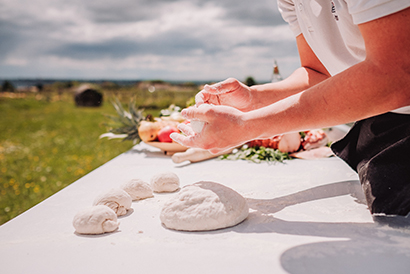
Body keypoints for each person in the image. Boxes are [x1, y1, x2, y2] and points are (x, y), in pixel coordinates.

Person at [170, 0, 410, 216]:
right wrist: (254, 99)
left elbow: (396, 75)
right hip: (381, 119)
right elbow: (320, 73)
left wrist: (249, 126)